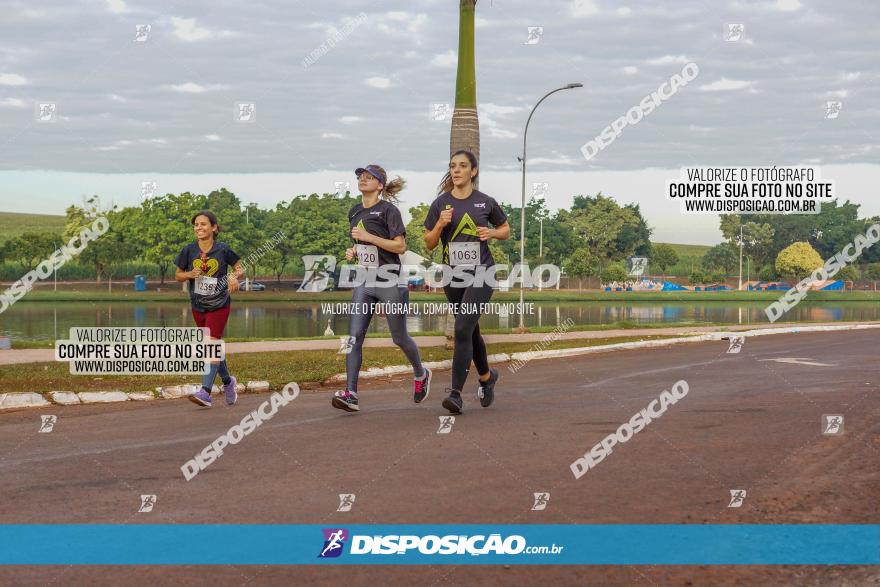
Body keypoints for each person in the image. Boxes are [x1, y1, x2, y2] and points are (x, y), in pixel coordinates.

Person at [331, 164, 432, 412]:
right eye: (360, 177)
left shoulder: (389, 210)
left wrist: (369, 239)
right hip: (364, 280)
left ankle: (421, 374)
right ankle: (351, 394)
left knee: (399, 337)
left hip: (389, 280)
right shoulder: (354, 211)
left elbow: (400, 247)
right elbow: (363, 246)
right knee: (354, 338)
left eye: (369, 177)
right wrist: (354, 251)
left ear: (380, 185)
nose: (363, 180)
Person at [423, 150, 510, 414]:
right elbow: (429, 243)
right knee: (470, 331)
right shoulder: (440, 204)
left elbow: (505, 230)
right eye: (452, 166)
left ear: (473, 171)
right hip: (452, 275)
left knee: (461, 328)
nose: (456, 170)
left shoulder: (485, 202)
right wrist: (439, 224)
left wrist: (492, 232)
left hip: (482, 272)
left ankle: (456, 394)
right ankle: (486, 377)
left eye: (462, 166)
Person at [174, 210, 243, 408]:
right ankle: (229, 382)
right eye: (196, 225)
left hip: (219, 303)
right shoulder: (188, 250)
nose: (198, 228)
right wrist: (189, 274)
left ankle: (205, 392)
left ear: (214, 227)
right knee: (212, 347)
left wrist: (232, 277)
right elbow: (178, 275)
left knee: (211, 345)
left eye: (203, 224)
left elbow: (239, 267)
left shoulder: (223, 250)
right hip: (198, 304)